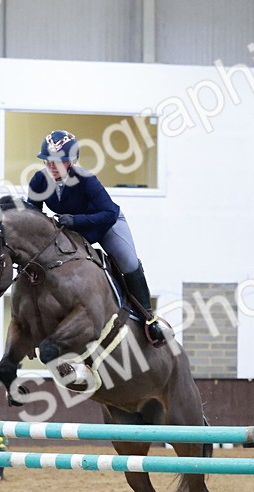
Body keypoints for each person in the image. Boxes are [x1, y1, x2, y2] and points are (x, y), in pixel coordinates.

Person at [27, 129, 165, 346]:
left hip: (106, 225)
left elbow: (108, 213)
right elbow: (34, 214)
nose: (51, 166)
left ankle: (150, 319)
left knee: (128, 262)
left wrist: (75, 220)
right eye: (47, 161)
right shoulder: (38, 181)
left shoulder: (86, 179)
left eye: (57, 161)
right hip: (73, 230)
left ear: (70, 161)